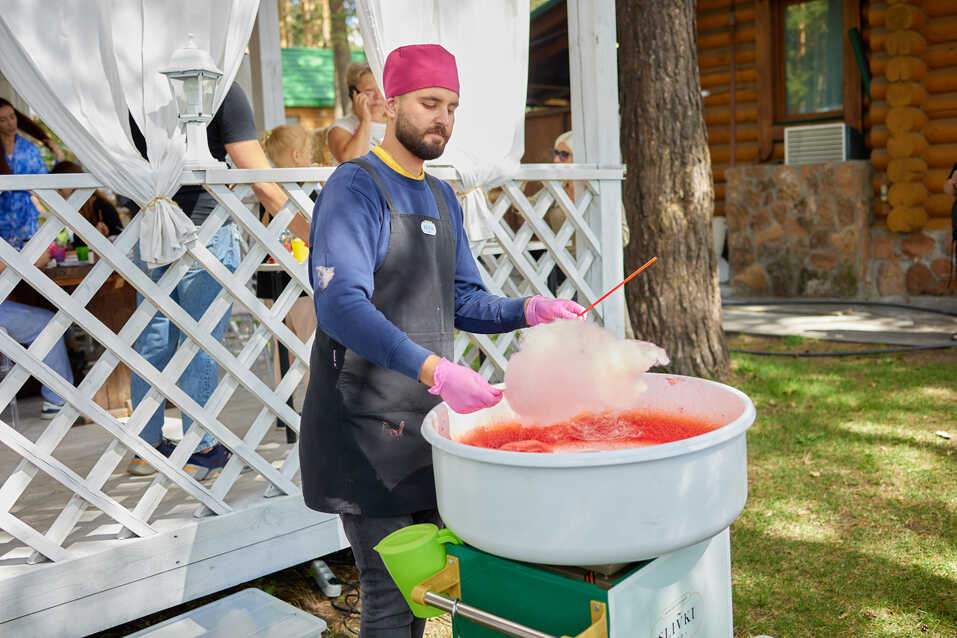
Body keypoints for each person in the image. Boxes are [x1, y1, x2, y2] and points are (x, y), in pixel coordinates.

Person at [300, 44, 584, 638]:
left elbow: (461, 300)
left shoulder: (440, 196)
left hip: (426, 428)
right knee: (389, 596)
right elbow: (340, 304)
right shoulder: (355, 187)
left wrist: (527, 308)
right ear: (391, 102)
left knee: (438, 588)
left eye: (452, 107)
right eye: (431, 104)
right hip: (362, 426)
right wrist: (436, 369)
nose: (443, 120)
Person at [126, 82, 294, 480]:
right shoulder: (217, 87)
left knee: (152, 337)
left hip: (148, 224)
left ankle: (145, 446)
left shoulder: (139, 89)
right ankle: (199, 446)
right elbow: (251, 164)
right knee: (200, 340)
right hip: (202, 226)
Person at [258, 124, 318, 440]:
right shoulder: (306, 192)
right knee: (311, 348)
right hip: (305, 284)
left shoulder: (267, 193)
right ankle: (314, 409)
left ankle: (286, 411)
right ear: (297, 155)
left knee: (285, 351)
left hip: (275, 284)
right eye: (308, 153)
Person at [326, 62, 387, 164]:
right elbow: (353, 162)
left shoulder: (397, 127)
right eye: (369, 92)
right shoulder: (340, 128)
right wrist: (365, 121)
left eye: (381, 90)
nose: (378, 97)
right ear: (353, 94)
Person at [49, 161, 124, 243]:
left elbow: (119, 236)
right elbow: (77, 242)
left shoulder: (102, 206)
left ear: (72, 183)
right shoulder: (79, 208)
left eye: (60, 188)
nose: (58, 193)